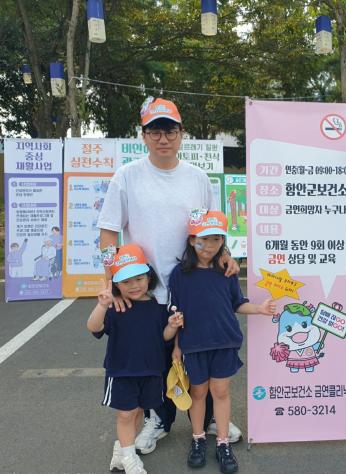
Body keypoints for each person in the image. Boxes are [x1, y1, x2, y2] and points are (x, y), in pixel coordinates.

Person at [97, 97, 241, 462]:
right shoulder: (127, 176)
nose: (163, 138)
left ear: (181, 134)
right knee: (154, 361)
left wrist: (225, 254)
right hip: (146, 292)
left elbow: (211, 228)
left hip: (194, 288)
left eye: (170, 131)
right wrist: (110, 282)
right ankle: (158, 420)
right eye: (155, 131)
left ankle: (209, 419)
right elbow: (109, 232)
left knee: (199, 355)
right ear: (143, 135)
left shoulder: (198, 178)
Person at [168, 210, 276, 473]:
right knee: (198, 393)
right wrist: (177, 347)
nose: (210, 245)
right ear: (192, 240)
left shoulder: (226, 271)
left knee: (221, 392)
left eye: (216, 239)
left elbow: (238, 303)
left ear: (223, 242)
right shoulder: (179, 274)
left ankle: (223, 442)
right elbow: (174, 313)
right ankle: (198, 439)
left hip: (225, 342)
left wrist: (259, 309)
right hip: (194, 344)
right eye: (204, 239)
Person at [87, 244, 184, 474]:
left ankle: (122, 449)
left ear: (148, 277)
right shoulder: (116, 307)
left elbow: (162, 338)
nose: (134, 285)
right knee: (125, 413)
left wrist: (172, 326)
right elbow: (94, 327)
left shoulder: (157, 307)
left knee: (139, 411)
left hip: (151, 371)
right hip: (122, 371)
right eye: (126, 282)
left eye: (139, 279)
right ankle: (130, 459)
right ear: (117, 285)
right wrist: (102, 305)